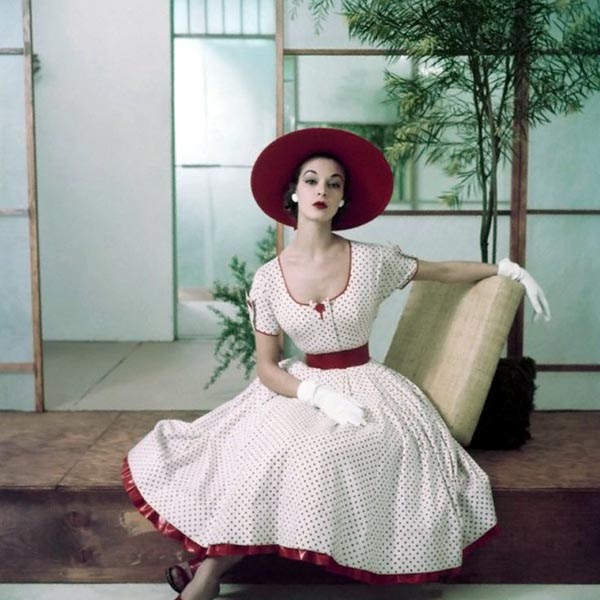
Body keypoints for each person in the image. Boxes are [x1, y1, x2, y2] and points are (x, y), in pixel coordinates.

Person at [121, 128, 551, 600]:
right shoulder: (267, 280)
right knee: (262, 452)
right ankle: (208, 574)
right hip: (300, 387)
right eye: (311, 180)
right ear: (293, 192)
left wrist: (505, 269)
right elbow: (267, 367)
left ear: (344, 198)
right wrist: (315, 394)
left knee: (319, 456)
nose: (321, 190)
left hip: (370, 388)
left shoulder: (372, 261)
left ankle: (208, 575)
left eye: (334, 183)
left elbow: (442, 271)